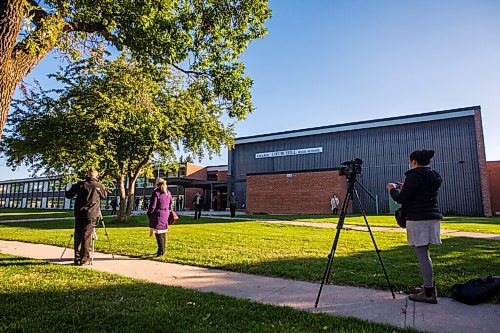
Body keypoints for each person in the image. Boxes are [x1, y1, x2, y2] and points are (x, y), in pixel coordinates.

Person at [387, 149, 443, 304]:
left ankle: (429, 292)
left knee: (423, 255)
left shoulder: (414, 176)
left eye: (410, 162)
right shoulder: (433, 176)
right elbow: (421, 192)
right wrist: (407, 186)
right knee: (425, 254)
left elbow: (401, 199)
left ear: (414, 162)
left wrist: (393, 189)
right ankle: (428, 287)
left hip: (418, 219)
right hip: (432, 218)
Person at [65, 167, 107, 266]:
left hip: (79, 213)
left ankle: (77, 257)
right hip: (91, 214)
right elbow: (104, 195)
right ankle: (84, 259)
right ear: (97, 176)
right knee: (86, 235)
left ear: (87, 175)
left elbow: (68, 195)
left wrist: (70, 185)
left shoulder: (80, 185)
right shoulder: (99, 186)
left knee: (78, 234)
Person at [147, 178, 172, 256]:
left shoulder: (156, 192)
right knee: (163, 233)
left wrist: (149, 213)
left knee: (158, 234)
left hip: (158, 214)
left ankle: (161, 251)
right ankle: (161, 250)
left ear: (156, 184)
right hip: (166, 213)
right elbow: (171, 202)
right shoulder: (168, 192)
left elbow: (153, 205)